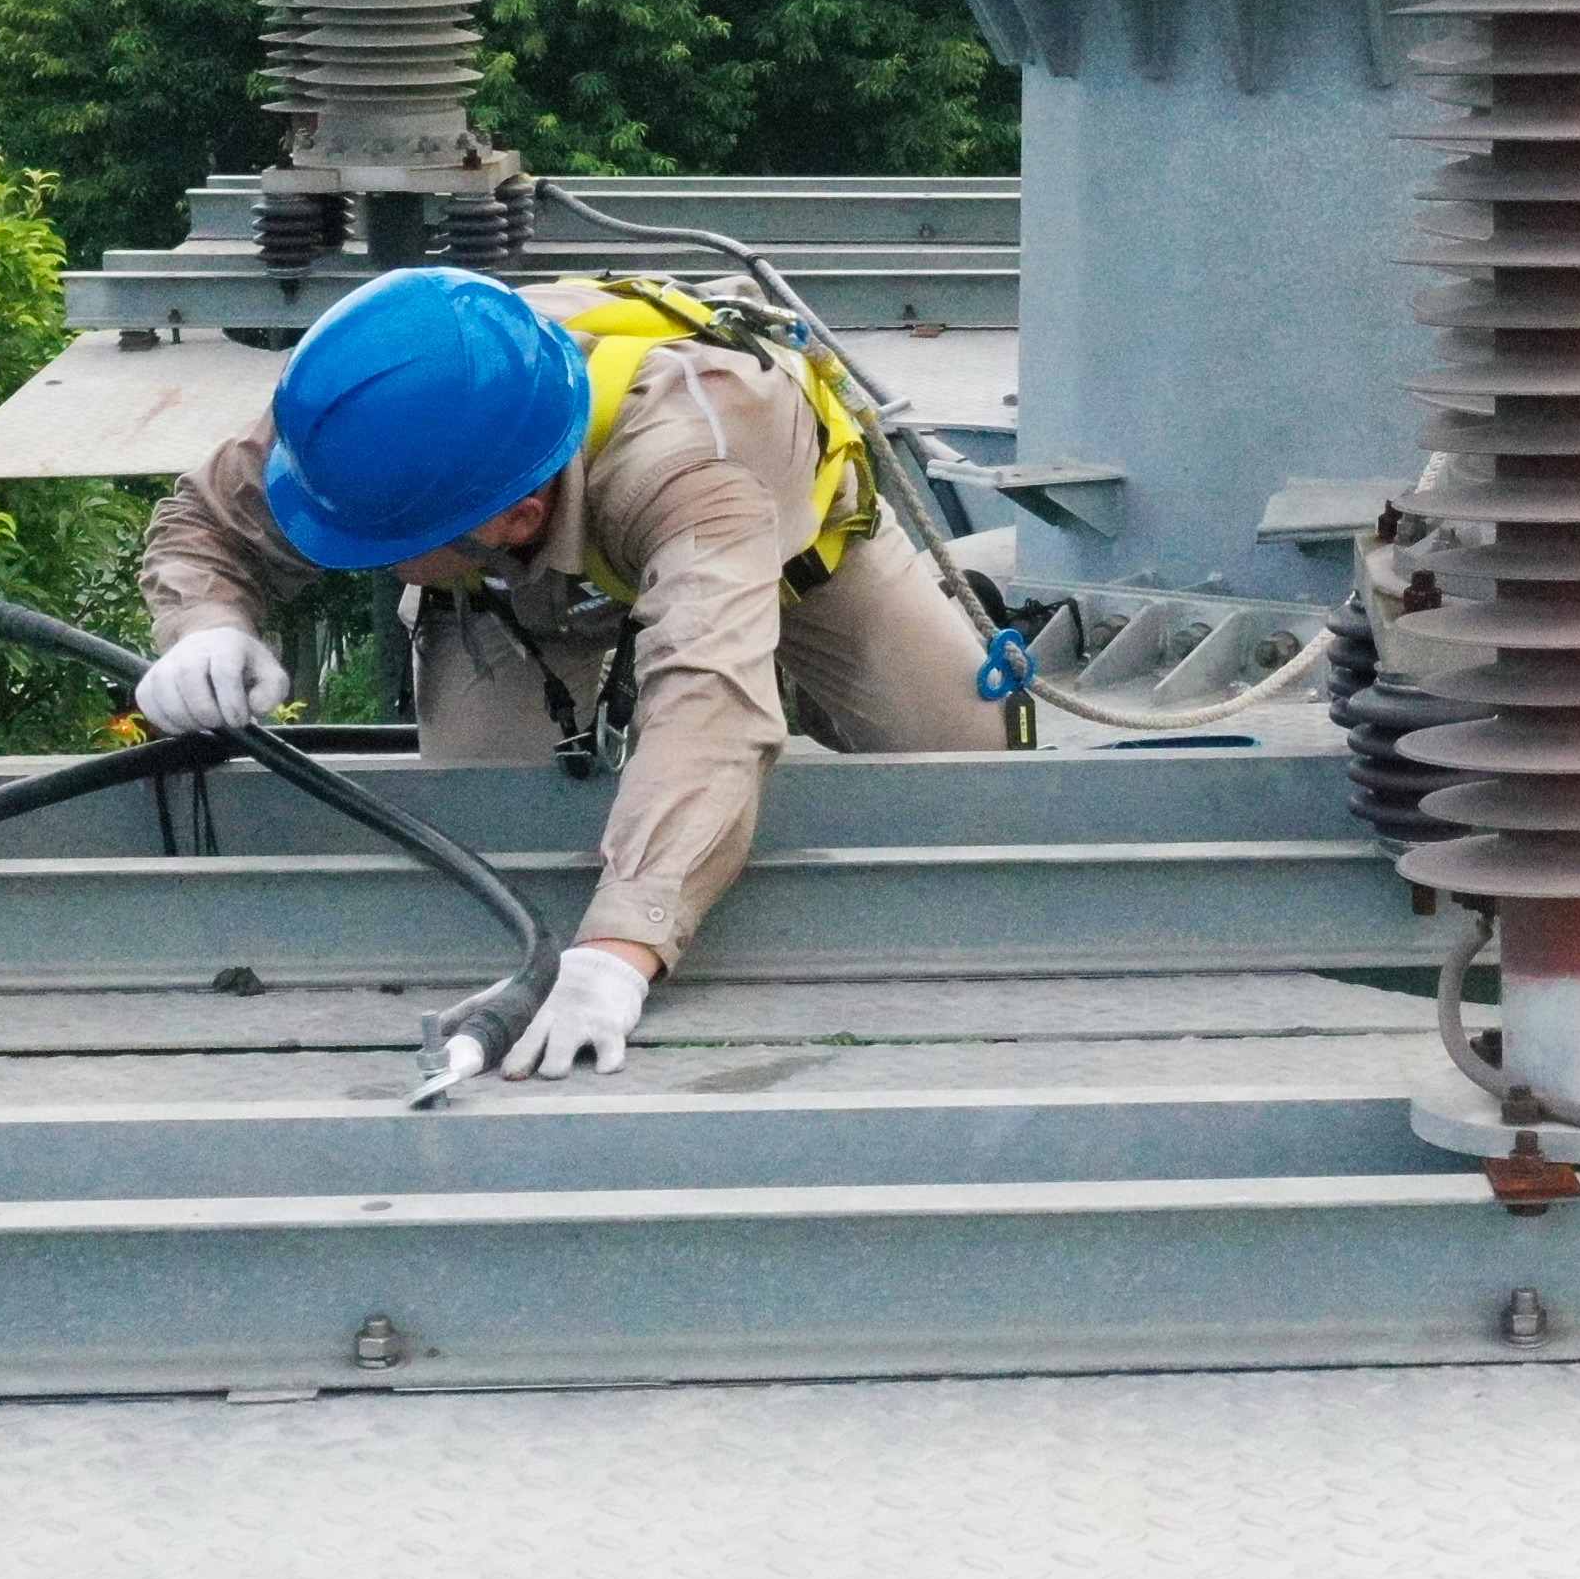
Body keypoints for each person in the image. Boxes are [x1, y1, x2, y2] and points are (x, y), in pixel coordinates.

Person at [136, 267, 1005, 1077]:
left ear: (517, 514)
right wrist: (203, 627)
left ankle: (724, 786)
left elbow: (708, 700)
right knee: (489, 830)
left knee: (968, 782)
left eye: (388, 551)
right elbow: (211, 519)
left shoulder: (700, 459)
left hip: (787, 561)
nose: (366, 564)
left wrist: (622, 953)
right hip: (521, 593)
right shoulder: (380, 417)